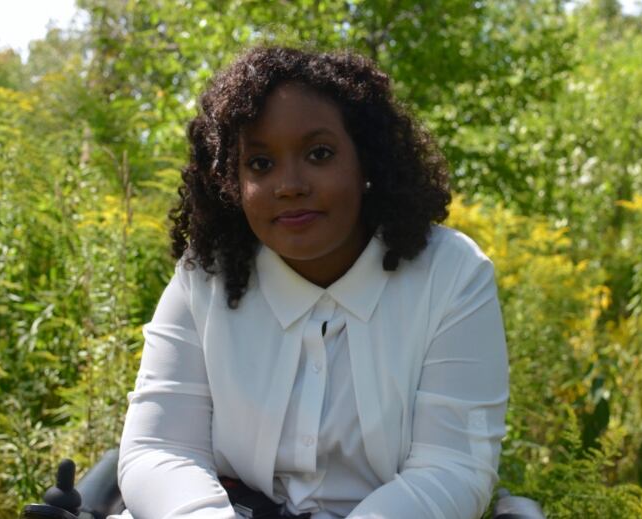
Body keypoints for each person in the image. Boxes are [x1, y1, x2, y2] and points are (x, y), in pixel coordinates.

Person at [116, 46, 509, 519]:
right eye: (260, 164)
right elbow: (158, 450)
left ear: (367, 162)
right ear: (232, 183)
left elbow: (454, 467)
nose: (289, 184)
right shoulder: (205, 278)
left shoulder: (452, 275)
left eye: (319, 154)